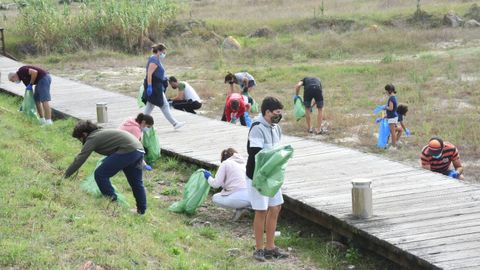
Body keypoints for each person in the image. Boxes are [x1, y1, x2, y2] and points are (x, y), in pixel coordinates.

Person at [64, 120, 147, 214]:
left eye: (79, 139)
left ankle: (114, 203)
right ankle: (141, 211)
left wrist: (65, 176)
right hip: (138, 150)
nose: (80, 142)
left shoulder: (92, 138)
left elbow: (80, 159)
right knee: (136, 183)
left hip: (127, 150)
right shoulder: (100, 133)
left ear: (84, 134)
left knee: (100, 174)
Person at [246, 96, 289, 262]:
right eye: (276, 113)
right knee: (261, 210)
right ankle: (259, 249)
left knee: (276, 207)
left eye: (280, 112)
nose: (278, 116)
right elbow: (255, 153)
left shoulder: (276, 127)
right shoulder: (257, 127)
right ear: (267, 112)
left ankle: (270, 247)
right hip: (258, 175)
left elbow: (278, 149)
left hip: (272, 175)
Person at [142, 43, 185, 130]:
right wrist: (150, 86)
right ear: (159, 51)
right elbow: (149, 74)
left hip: (157, 86)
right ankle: (175, 123)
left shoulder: (156, 59)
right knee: (163, 105)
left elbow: (157, 73)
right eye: (163, 52)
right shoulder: (154, 60)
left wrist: (165, 78)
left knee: (150, 106)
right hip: (154, 87)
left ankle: (141, 124)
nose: (164, 54)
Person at [203, 148, 251, 221]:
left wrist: (208, 177)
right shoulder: (244, 163)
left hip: (238, 197)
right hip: (251, 197)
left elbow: (216, 184)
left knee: (215, 198)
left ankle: (241, 207)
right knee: (241, 196)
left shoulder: (226, 163)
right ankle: (245, 208)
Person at [384, 84, 398, 148]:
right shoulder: (394, 97)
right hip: (393, 116)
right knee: (392, 131)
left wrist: (385, 107)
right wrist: (387, 115)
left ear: (389, 91)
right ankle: (393, 144)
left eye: (386, 91)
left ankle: (393, 146)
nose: (386, 92)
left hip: (392, 118)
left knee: (392, 133)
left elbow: (391, 108)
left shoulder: (391, 98)